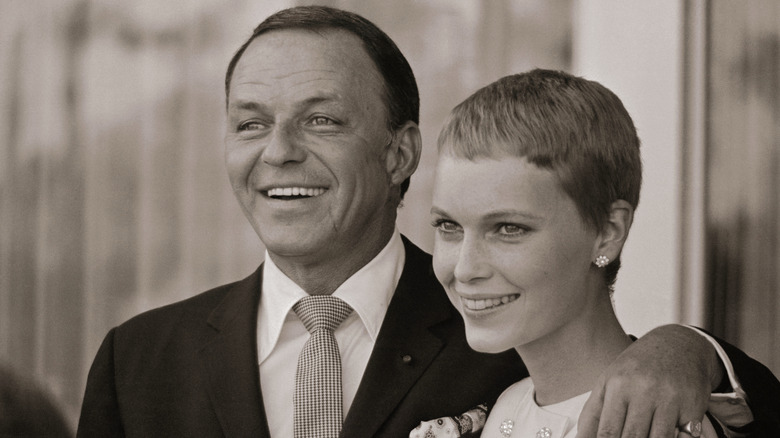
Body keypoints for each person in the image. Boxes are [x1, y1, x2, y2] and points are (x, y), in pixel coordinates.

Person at [77, 6, 778, 438]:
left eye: (322, 120)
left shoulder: (509, 329)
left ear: (400, 153)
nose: (279, 151)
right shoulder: (135, 362)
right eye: (250, 123)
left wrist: (689, 349)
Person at [412, 69, 780, 437]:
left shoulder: (658, 426)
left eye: (509, 228)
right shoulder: (504, 403)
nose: (464, 269)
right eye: (448, 226)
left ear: (607, 232)